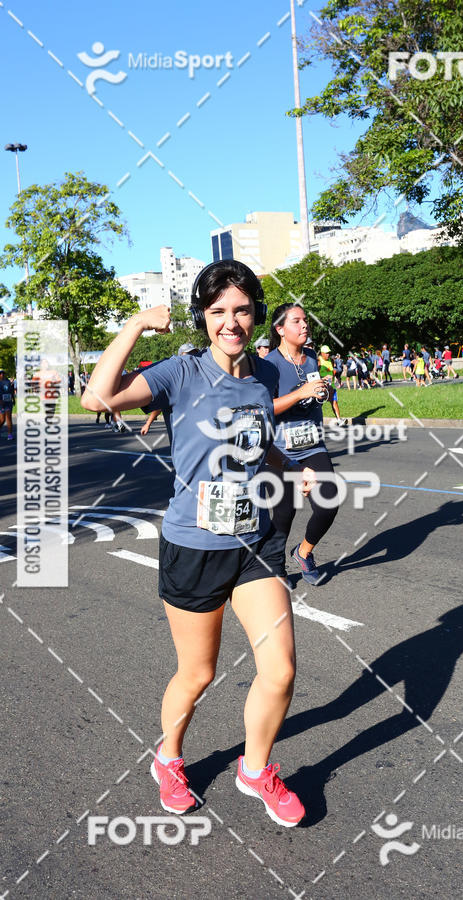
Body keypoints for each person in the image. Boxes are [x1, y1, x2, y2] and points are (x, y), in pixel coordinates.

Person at [81, 259, 314, 827]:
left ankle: (254, 770)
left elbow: (255, 441)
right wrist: (135, 323)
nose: (229, 322)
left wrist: (292, 467)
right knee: (198, 673)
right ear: (203, 319)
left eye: (240, 310)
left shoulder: (264, 376)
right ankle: (168, 757)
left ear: (256, 314)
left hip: (255, 544)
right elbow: (96, 398)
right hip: (194, 546)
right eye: (216, 312)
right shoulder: (179, 374)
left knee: (280, 669)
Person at [266, 303, 341, 586]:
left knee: (328, 503)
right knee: (284, 513)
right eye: (296, 321)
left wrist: (324, 391)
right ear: (280, 329)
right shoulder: (269, 364)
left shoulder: (310, 357)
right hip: (280, 450)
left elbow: (313, 391)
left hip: (313, 445)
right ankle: (276, 566)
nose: (305, 325)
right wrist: (300, 394)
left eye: (306, 320)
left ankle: (303, 551)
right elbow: (264, 408)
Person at [318, 344, 347, 426]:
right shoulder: (319, 361)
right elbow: (315, 373)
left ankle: (339, 419)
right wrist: (323, 378)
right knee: (319, 404)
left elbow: (332, 370)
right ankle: (317, 420)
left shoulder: (331, 360)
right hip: (322, 386)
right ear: (322, 353)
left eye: (329, 353)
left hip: (331, 386)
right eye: (326, 353)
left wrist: (333, 374)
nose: (328, 354)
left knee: (334, 402)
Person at [0, 369, 15, 440]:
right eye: (0, 373)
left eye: (3, 373)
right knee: (2, 420)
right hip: (1, 403)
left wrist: (13, 399)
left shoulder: (8, 381)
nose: (2, 375)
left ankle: (10, 435)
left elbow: (11, 391)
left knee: (9, 418)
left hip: (8, 402)